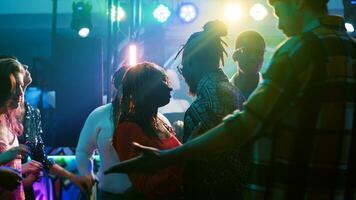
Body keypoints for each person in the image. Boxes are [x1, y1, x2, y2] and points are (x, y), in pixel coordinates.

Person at [106, 0, 356, 199]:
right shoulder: (350, 49)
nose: (279, 24)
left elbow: (244, 126)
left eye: (278, 10)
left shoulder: (298, 51)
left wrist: (170, 157)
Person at [177, 20, 247, 199]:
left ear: (191, 63)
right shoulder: (236, 94)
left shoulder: (197, 109)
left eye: (183, 66)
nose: (183, 73)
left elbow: (192, 172)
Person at [12, 60, 89, 199]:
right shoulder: (3, 113)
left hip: (25, 189)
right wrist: (21, 172)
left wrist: (73, 178)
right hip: (7, 186)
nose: (26, 67)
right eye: (18, 65)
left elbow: (41, 158)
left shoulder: (32, 112)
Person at [112, 62, 182, 199]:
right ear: (146, 88)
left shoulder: (159, 122)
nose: (170, 87)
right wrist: (185, 155)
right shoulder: (128, 129)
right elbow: (150, 186)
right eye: (163, 81)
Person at [76, 65, 132, 200]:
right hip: (106, 193)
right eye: (127, 88)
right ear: (118, 87)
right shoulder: (99, 114)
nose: (131, 94)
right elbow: (83, 151)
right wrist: (86, 173)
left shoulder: (154, 118)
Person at [0, 58, 27, 200]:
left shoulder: (7, 118)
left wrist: (23, 169)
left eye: (22, 86)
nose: (21, 92)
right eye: (15, 86)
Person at [231, 30, 265, 99]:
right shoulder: (221, 94)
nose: (253, 58)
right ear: (235, 56)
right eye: (246, 51)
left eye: (259, 53)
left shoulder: (273, 94)